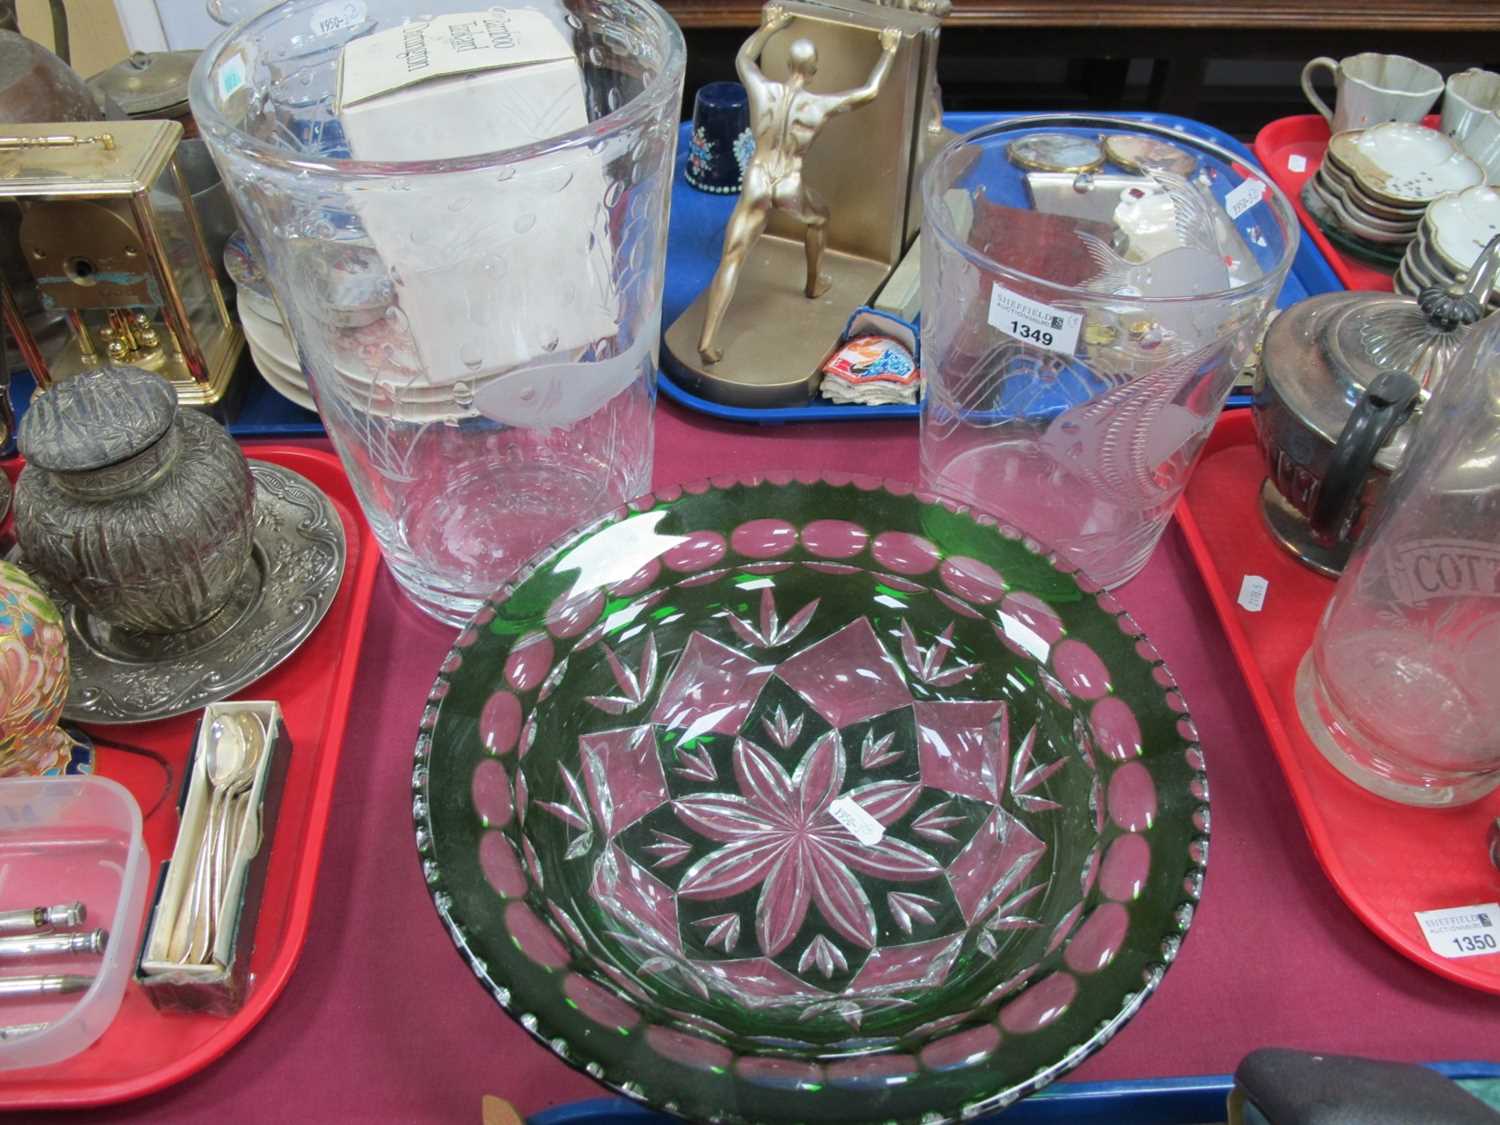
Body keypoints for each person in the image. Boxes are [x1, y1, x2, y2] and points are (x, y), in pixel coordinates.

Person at [698, 7, 901, 365]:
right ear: (814, 70)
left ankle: (708, 339)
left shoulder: (762, 89)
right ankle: (814, 282)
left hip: (757, 179)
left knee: (732, 257)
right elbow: (868, 92)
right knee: (819, 218)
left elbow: (743, 58)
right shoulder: (818, 105)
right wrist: (888, 50)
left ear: (788, 63)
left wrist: (769, 27)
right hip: (788, 184)